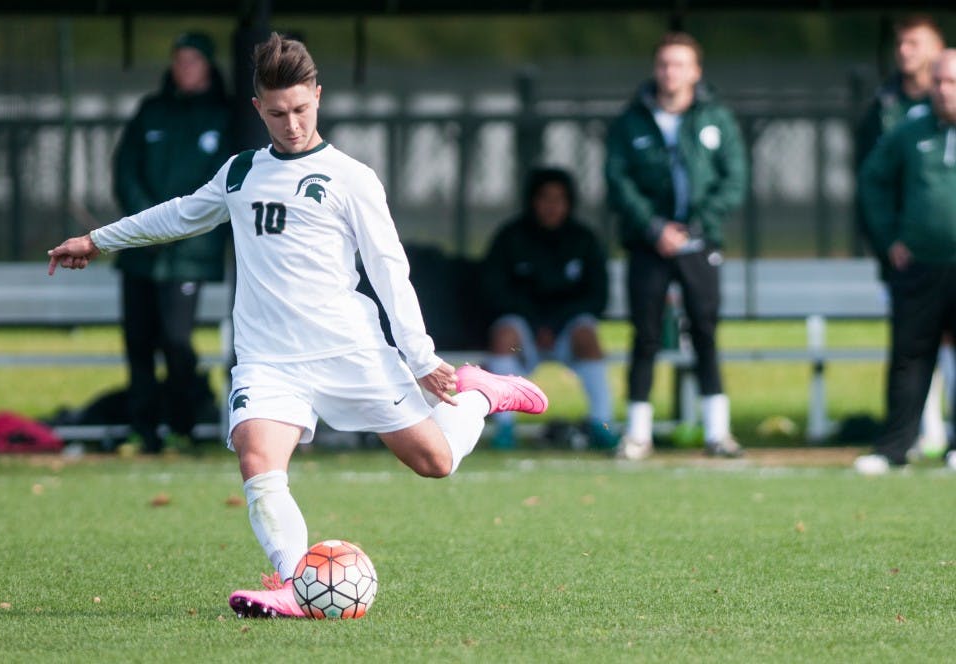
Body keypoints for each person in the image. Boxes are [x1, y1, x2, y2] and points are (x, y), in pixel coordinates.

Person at [47, 34, 549, 618]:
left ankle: (478, 397)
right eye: (278, 113)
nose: (291, 124)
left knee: (434, 462)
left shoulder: (350, 178)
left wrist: (421, 358)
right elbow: (180, 214)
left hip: (348, 350)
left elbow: (391, 272)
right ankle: (293, 584)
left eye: (302, 109)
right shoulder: (240, 175)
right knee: (257, 458)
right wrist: (96, 240)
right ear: (259, 108)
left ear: (318, 95)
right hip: (268, 359)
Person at [604, 32, 747, 460]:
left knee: (704, 331)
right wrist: (654, 228)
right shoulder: (631, 121)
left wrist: (697, 225)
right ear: (655, 69)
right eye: (665, 64)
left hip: (700, 244)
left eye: (680, 64)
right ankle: (638, 434)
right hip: (649, 246)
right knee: (645, 336)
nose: (672, 72)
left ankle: (718, 432)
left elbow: (734, 178)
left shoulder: (716, 118)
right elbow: (618, 180)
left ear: (696, 71)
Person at [112, 32, 232, 453]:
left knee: (177, 340)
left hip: (189, 256)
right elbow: (125, 170)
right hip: (140, 254)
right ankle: (144, 431)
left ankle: (185, 424)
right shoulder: (150, 112)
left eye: (192, 60)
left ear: (208, 65)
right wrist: (147, 224)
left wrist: (178, 228)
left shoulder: (225, 116)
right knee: (138, 340)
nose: (184, 68)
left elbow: (222, 188)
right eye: (178, 60)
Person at [853, 49, 956, 475]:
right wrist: (889, 237)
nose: (944, 90)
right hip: (921, 266)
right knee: (910, 357)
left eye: (952, 82)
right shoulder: (910, 133)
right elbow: (872, 181)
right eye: (939, 82)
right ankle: (895, 447)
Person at [479, 167, 613, 450]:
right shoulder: (510, 237)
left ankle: (602, 424)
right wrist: (536, 325)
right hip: (526, 333)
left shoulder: (584, 239)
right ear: (532, 201)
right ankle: (505, 428)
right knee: (504, 336)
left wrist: (555, 325)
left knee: (588, 337)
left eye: (559, 199)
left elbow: (597, 296)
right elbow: (495, 291)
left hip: (565, 332)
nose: (552, 206)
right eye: (544, 198)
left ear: (569, 203)